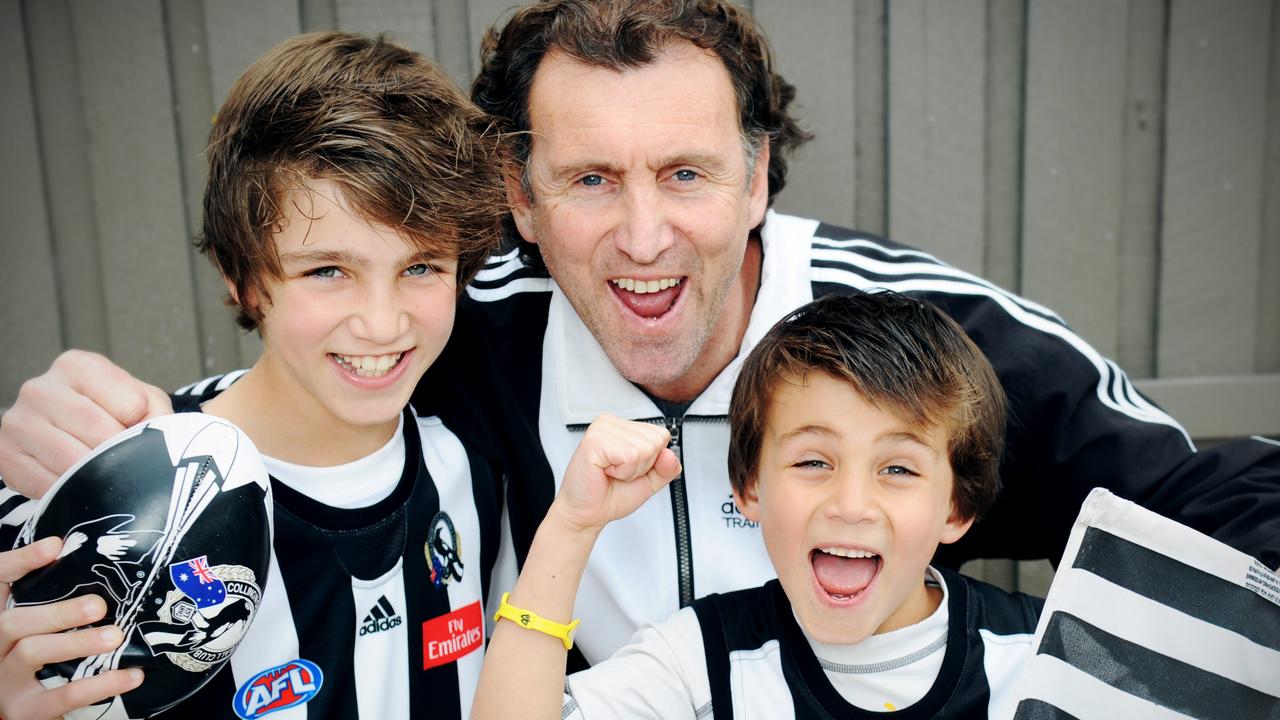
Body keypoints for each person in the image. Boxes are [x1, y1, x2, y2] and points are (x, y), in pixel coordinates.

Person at [2, 0, 1278, 670]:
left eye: (684, 173)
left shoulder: (930, 340)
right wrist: (86, 423)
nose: (645, 237)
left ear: (757, 175)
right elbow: (275, 397)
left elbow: (1209, 508)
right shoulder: (453, 331)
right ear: (518, 196)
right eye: (590, 180)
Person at [0, 31, 506, 719]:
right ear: (241, 278)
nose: (384, 324)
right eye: (328, 270)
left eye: (420, 267)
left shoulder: (473, 464)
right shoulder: (104, 489)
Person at [471, 292, 1042, 719]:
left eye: (898, 469)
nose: (851, 504)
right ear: (749, 488)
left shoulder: (1046, 653)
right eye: (813, 462)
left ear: (956, 507)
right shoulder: (700, 659)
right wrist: (572, 525)